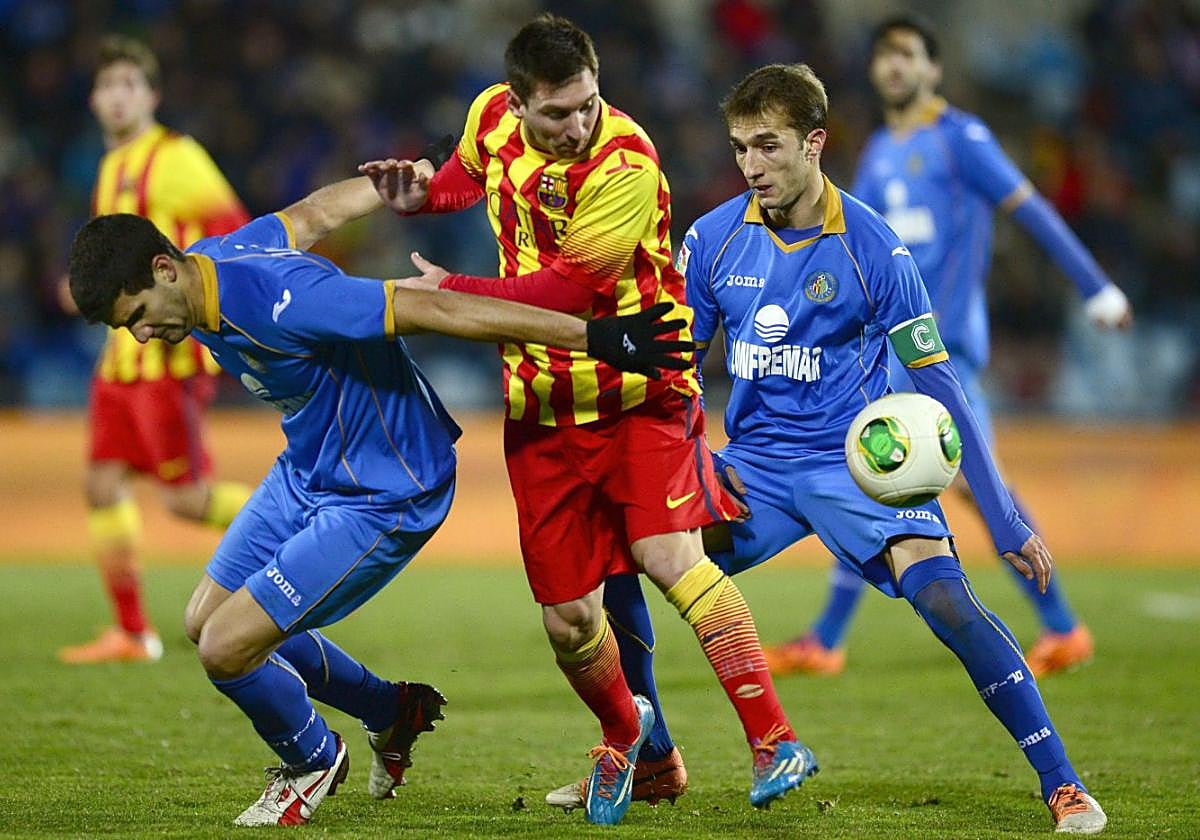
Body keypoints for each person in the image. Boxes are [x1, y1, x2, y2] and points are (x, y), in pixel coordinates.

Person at [554, 63, 1108, 833]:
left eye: (769, 146)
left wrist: (1004, 516)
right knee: (617, 550)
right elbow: (679, 371)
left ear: (814, 143)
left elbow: (940, 383)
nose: (751, 166)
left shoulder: (873, 247)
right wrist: (680, 461)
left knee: (947, 601)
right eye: (740, 147)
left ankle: (1063, 783)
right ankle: (651, 759)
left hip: (859, 469)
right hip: (754, 470)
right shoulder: (712, 239)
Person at [66, 157, 691, 826]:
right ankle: (391, 711)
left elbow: (438, 308)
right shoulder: (217, 261)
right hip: (308, 469)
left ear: (164, 270)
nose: (142, 335)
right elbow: (312, 215)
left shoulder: (284, 301)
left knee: (226, 647)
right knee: (203, 623)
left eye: (138, 315)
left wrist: (593, 337)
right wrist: (385, 187)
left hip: (385, 491)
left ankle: (311, 759)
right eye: (126, 329)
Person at [360, 14, 816, 825]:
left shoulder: (626, 162)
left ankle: (774, 739)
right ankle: (631, 743)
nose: (577, 125)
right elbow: (469, 174)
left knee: (667, 556)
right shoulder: (489, 114)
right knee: (570, 620)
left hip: (638, 388)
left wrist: (451, 293)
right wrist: (424, 196)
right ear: (516, 103)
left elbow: (567, 294)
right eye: (557, 113)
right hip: (541, 406)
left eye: (587, 104)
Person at [762, 14, 1133, 680]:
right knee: (873, 469)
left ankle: (1060, 625)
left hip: (942, 348)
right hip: (887, 346)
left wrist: (1095, 286)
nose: (893, 65)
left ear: (934, 68)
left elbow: (1030, 209)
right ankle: (829, 638)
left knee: (962, 480)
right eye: (884, 55)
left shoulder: (963, 139)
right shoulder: (879, 150)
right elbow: (846, 243)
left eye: (908, 54)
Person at [58, 36, 254, 664]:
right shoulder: (111, 165)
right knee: (102, 483)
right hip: (119, 361)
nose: (117, 97)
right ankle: (132, 632)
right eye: (107, 85)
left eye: (130, 84)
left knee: (185, 500)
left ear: (152, 95)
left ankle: (299, 523)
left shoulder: (176, 158)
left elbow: (235, 233)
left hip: (166, 360)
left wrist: (197, 313)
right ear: (93, 99)